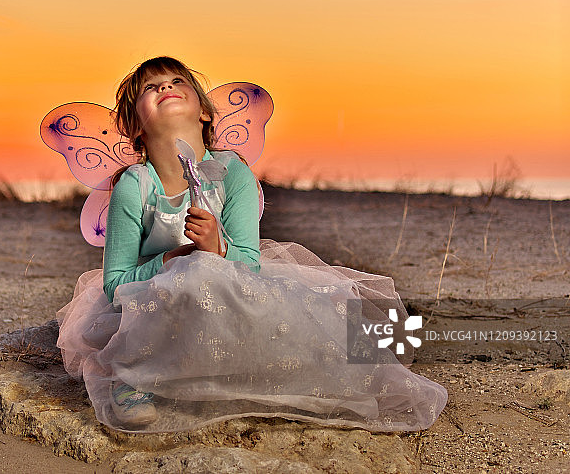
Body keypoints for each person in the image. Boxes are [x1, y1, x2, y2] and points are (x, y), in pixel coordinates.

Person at [55, 56, 447, 433]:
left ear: (204, 113)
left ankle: (346, 367)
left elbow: (249, 262)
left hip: (228, 293)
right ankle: (133, 373)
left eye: (177, 82)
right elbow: (115, 283)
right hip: (153, 307)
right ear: (136, 126)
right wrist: (174, 259)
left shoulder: (231, 174)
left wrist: (215, 248)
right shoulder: (135, 185)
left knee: (299, 324)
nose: (165, 87)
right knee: (191, 273)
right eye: (151, 87)